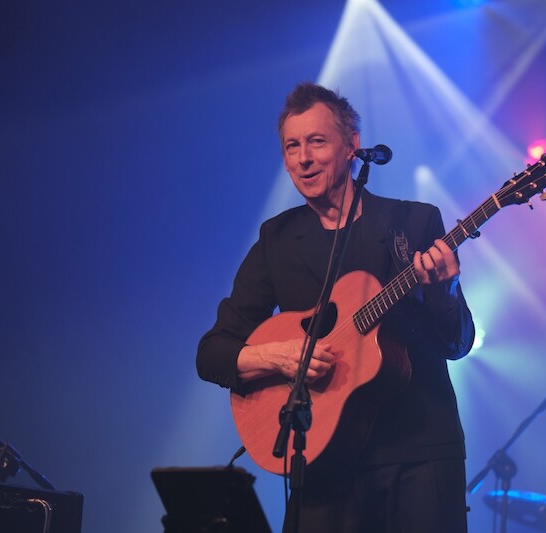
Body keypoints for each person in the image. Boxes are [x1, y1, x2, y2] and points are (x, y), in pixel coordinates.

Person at [196, 82, 475, 532]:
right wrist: (277, 357)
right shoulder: (276, 239)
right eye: (292, 146)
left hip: (418, 453)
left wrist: (445, 293)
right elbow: (212, 354)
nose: (304, 158)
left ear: (352, 146)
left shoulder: (413, 222)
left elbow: (458, 344)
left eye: (317, 142)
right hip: (323, 462)